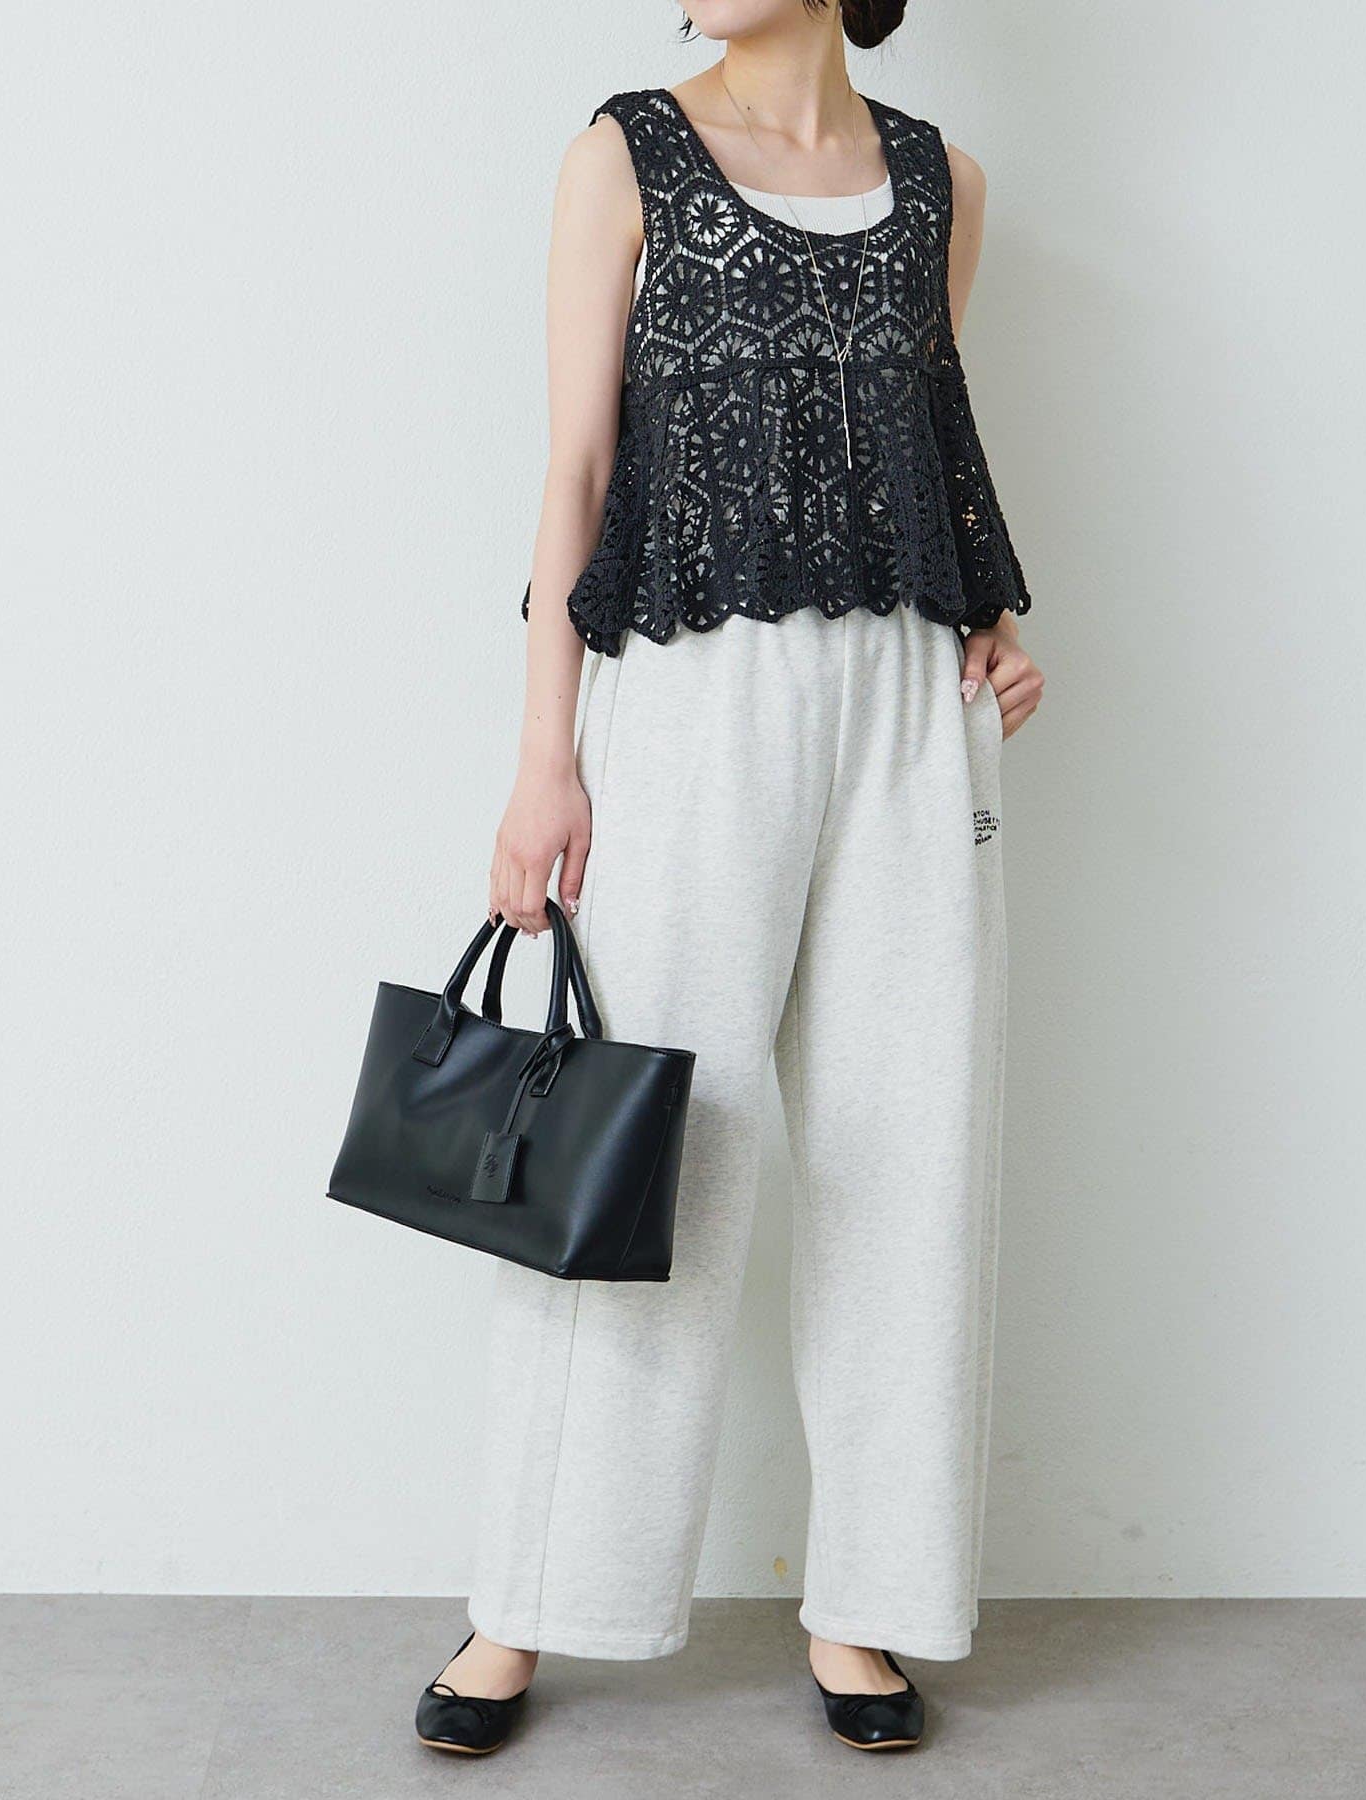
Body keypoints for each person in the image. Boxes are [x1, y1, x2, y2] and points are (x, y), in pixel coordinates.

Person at [415, 0, 1044, 1756]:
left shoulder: (942, 181)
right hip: (689, 695)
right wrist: (544, 755)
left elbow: (923, 445)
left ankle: (869, 1604)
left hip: (909, 708)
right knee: (652, 1145)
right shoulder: (627, 153)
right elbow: (578, 468)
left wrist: (994, 620)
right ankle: (529, 1600)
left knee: (909, 1154)